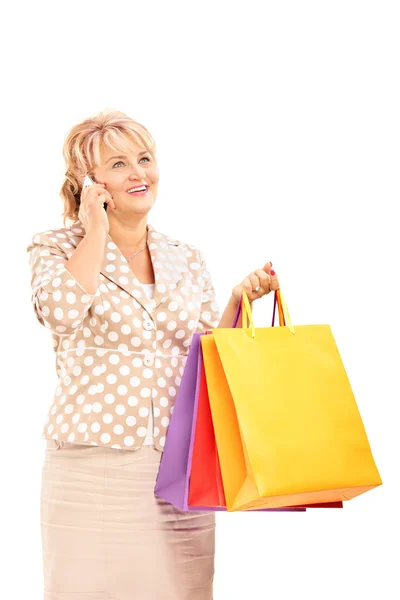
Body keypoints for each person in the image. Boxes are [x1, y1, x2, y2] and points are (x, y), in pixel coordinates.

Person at [26, 109, 280, 599]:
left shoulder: (185, 256)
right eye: (119, 164)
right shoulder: (56, 247)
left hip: (181, 467)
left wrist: (237, 303)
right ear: (89, 182)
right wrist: (95, 229)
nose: (138, 173)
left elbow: (203, 363)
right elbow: (59, 312)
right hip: (95, 465)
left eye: (144, 159)